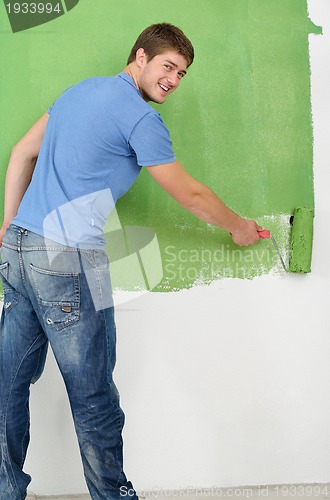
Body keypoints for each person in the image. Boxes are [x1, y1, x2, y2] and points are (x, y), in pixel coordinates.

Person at [0, 23, 263, 499]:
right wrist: (239, 227)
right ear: (140, 57)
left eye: (182, 73)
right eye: (167, 66)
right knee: (95, 395)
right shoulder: (139, 119)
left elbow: (22, 152)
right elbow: (191, 193)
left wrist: (8, 229)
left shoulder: (79, 92)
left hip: (21, 249)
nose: (174, 80)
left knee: (8, 382)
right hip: (71, 259)